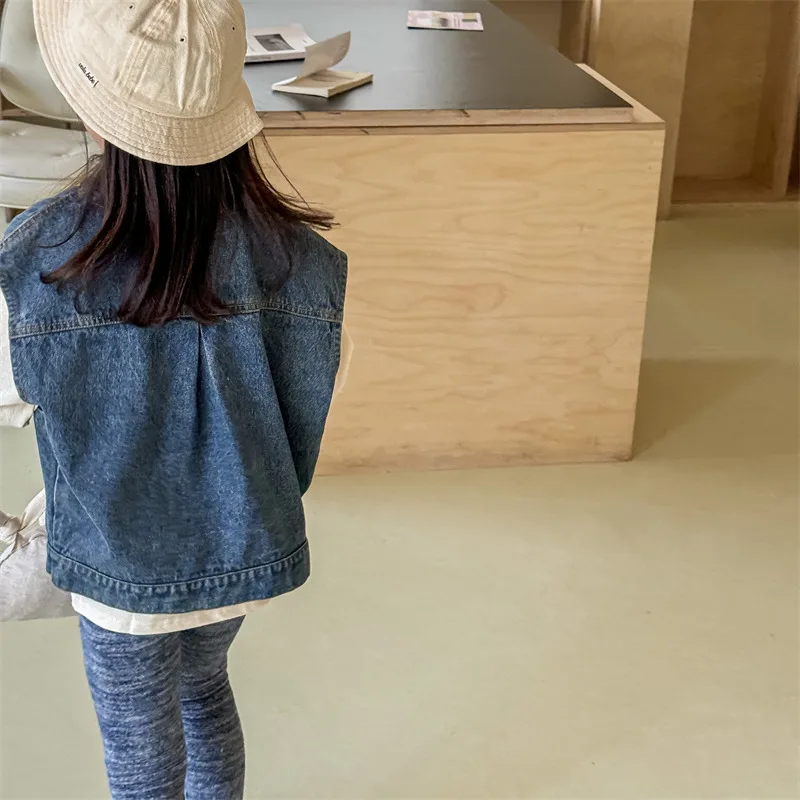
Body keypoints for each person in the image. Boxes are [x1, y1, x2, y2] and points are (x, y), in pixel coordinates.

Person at [0, 1, 351, 796]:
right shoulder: (305, 259)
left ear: (89, 104)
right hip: (240, 542)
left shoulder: (36, 264)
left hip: (117, 566)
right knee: (204, 690)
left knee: (137, 742)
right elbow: (307, 399)